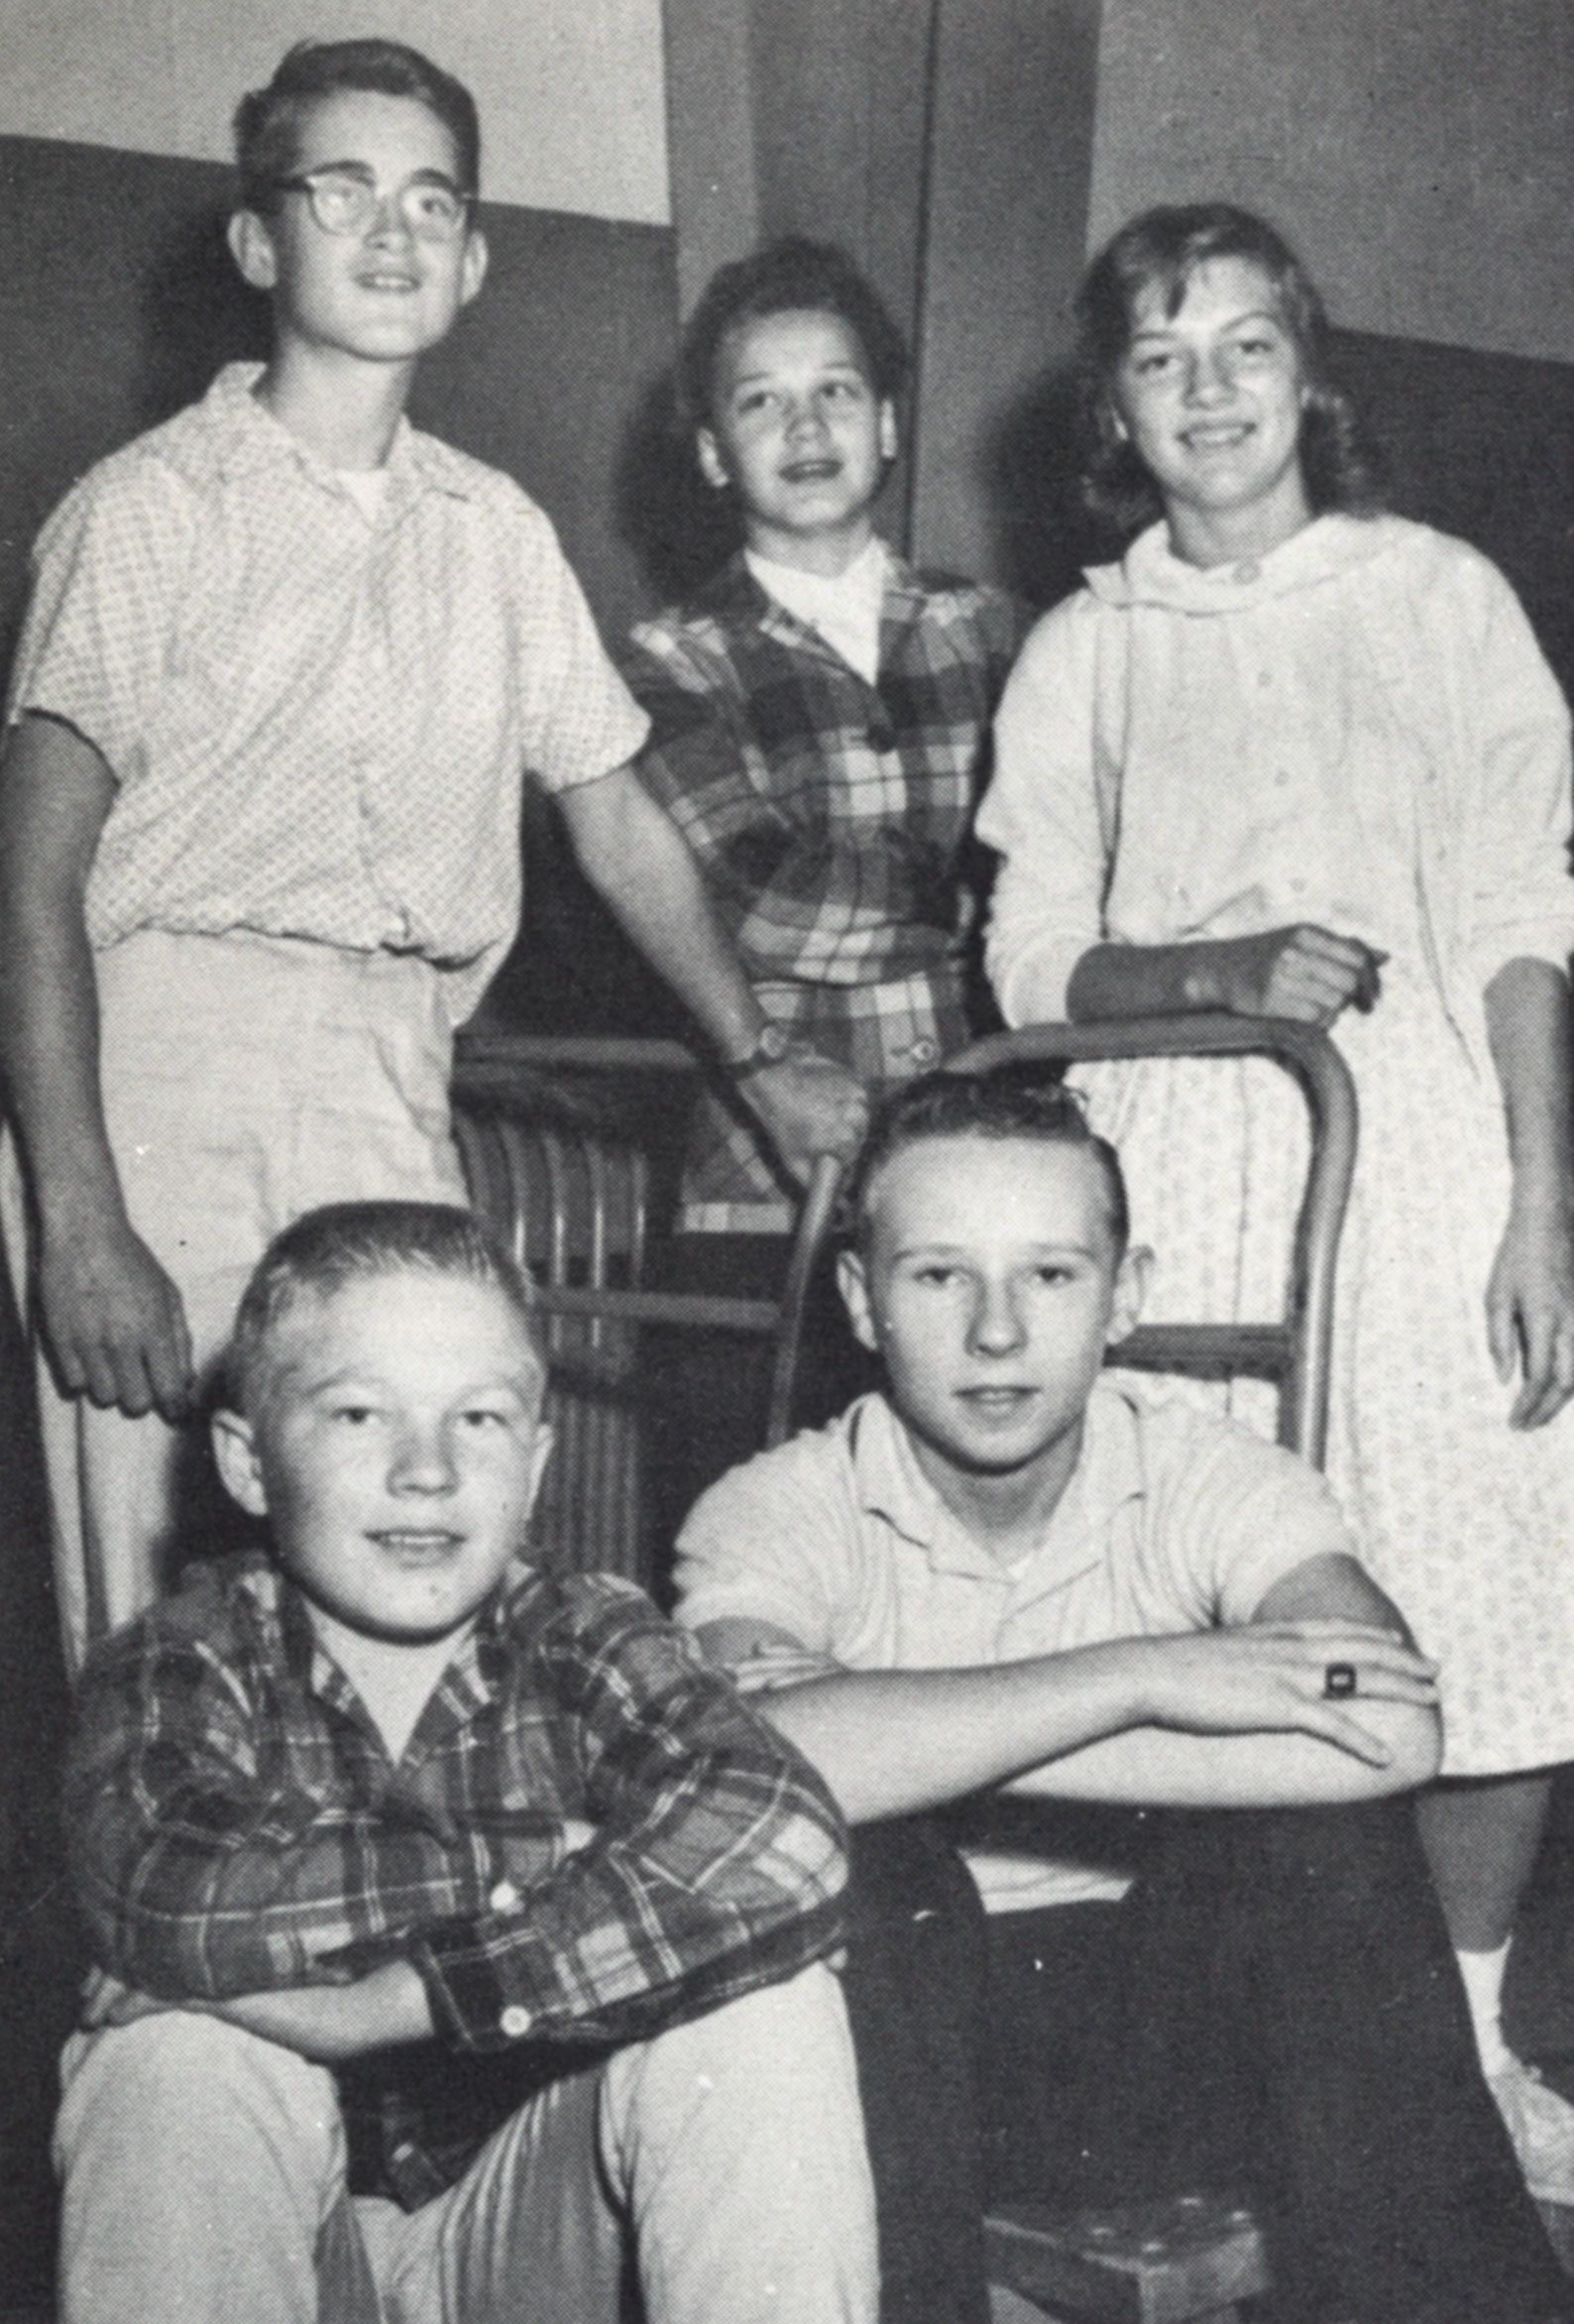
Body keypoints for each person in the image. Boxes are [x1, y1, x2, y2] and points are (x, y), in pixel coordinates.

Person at [0, 41, 854, 1674]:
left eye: (430, 199)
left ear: (469, 261)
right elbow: (28, 877)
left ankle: (389, 1932)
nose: (390, 232)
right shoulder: (148, 510)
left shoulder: (498, 533)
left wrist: (752, 1056)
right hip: (163, 1072)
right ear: (260, 243)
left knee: (412, 1562)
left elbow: (615, 816)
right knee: (168, 1617)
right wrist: (76, 1211)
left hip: (396, 1072)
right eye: (342, 189)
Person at [974, 200, 1574, 2204]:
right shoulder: (1084, 645)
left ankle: (1463, 2041)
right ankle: (1228, 2075)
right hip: (1170, 1167)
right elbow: (1029, 962)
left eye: (1242, 346)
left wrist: (1540, 1201)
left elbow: (1513, 921)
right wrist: (1211, 971)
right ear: (1112, 409)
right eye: (1159, 359)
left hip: (1417, 1160)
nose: (1207, 392)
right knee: (1193, 1606)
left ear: (1306, 372)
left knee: (1488, 1601)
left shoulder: (1439, 598)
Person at [673, 1071, 1570, 2324]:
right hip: (896, 2064)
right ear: (859, 1300)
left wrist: (910, 1737)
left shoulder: (1209, 1473)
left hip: (1166, 2051)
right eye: (938, 1276)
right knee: (867, 1872)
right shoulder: (777, 1507)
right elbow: (742, 1756)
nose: (997, 1332)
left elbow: (1388, 1724)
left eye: (1049, 1275)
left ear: (1125, 1296)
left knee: (1321, 1845)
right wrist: (1145, 1677)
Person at [58, 1199, 875, 2324]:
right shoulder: (181, 1654)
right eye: (357, 1413)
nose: (427, 1471)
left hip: (526, 2242)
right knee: (178, 2060)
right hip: (295, 2249)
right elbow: (165, 1889)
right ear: (247, 1462)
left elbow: (787, 1832)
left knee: (760, 2008)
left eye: (479, 1420)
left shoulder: (585, 1631)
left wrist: (398, 1998)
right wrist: (571, 1863)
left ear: (537, 1465)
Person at [619, 238, 1025, 1497]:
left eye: (836, 391)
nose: (805, 426)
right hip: (760, 1191)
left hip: (982, 1192)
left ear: (888, 423)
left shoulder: (995, 628)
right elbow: (758, 903)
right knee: (755, 1554)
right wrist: (986, 898)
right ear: (709, 453)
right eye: (761, 400)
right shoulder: (663, 658)